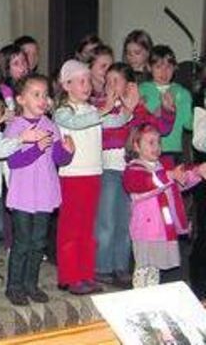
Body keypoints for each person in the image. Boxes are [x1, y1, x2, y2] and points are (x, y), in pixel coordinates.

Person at [94, 62, 175, 288]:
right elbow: (108, 137)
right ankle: (102, 266)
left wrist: (167, 112)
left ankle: (121, 266)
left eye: (116, 81)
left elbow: (157, 129)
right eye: (107, 81)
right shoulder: (102, 107)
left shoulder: (138, 109)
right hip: (109, 170)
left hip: (131, 172)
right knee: (106, 221)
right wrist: (123, 112)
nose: (110, 85)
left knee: (126, 222)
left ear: (130, 86)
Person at [54, 59, 130, 295]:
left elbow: (115, 121)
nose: (87, 85)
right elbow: (77, 124)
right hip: (73, 176)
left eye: (88, 80)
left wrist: (128, 107)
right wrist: (103, 110)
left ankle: (86, 273)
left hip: (94, 174)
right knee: (71, 228)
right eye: (81, 81)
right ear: (67, 85)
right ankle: (70, 275)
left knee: (88, 228)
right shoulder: (63, 112)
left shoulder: (91, 110)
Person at [4, 74, 74, 306]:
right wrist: (35, 149)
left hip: (44, 192)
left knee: (38, 243)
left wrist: (67, 151)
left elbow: (57, 159)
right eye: (36, 95)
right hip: (24, 195)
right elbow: (13, 161)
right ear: (21, 99)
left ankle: (31, 284)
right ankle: (14, 286)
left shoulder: (50, 125)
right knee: (22, 242)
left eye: (45, 95)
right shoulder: (15, 128)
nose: (43, 100)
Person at [123, 124, 206, 288]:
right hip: (146, 232)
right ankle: (141, 304)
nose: (157, 147)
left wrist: (197, 172)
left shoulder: (161, 168)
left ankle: (151, 303)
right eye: (151, 142)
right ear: (136, 145)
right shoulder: (134, 170)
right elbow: (147, 183)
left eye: (159, 142)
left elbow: (178, 182)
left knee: (154, 275)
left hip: (161, 230)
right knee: (144, 273)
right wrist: (170, 175)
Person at [0, 93, 47, 281]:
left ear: (1, 118)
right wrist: (21, 139)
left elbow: (7, 166)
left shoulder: (3, 137)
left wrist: (12, 191)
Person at [140, 45, 193, 165]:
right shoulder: (142, 89)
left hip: (173, 151)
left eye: (169, 67)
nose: (164, 72)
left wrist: (186, 105)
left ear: (175, 68)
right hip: (147, 151)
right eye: (158, 67)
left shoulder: (182, 93)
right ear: (149, 67)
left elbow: (189, 125)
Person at [0, 44, 29, 112]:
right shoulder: (4, 89)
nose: (22, 66)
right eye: (16, 63)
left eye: (24, 61)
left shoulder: (33, 82)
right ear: (6, 69)